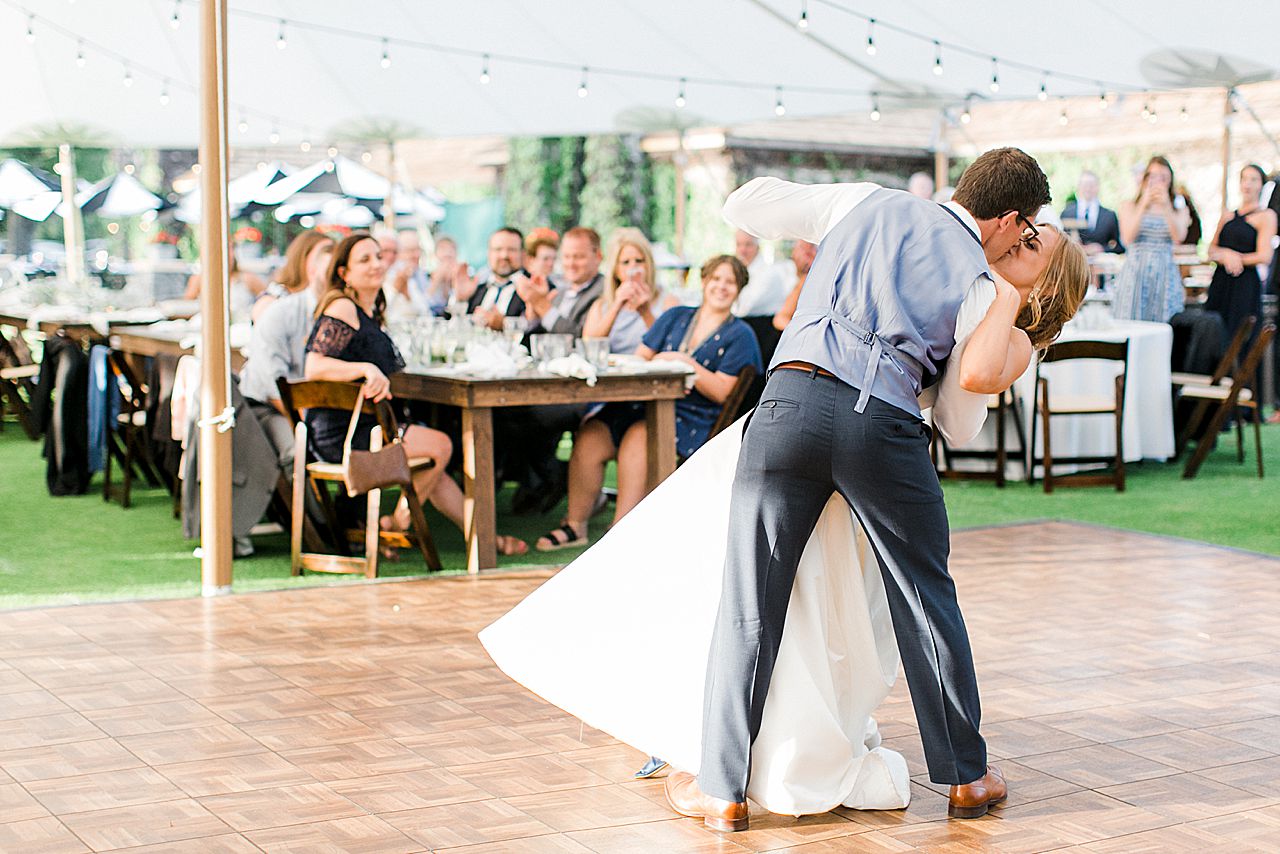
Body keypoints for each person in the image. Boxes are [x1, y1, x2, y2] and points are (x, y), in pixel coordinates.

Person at [481, 148, 1088, 830]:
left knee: (749, 604)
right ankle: (967, 777)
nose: (1022, 242)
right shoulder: (980, 284)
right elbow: (956, 418)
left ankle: (722, 790)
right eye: (1026, 229)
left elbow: (742, 204)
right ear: (1008, 219)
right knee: (926, 598)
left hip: (785, 405)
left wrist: (830, 230)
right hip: (880, 425)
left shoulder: (862, 199)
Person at [303, 233, 527, 556]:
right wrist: (365, 369)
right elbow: (313, 365)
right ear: (344, 273)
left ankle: (485, 539)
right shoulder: (342, 306)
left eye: (378, 257)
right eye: (364, 260)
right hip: (348, 434)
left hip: (376, 425)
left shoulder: (370, 310)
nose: (376, 265)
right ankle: (397, 525)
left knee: (434, 472)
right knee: (441, 446)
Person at [536, 255, 762, 551]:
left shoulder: (741, 334)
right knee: (592, 433)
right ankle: (575, 524)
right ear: (704, 281)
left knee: (641, 434)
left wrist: (683, 362)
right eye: (716, 279)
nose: (721, 287)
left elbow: (721, 391)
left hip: (694, 416)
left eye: (730, 282)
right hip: (642, 404)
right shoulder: (676, 316)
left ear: (739, 289)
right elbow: (642, 357)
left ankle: (623, 532)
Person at [1206, 164, 1278, 354]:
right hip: (1221, 281)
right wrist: (1225, 255)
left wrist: (1236, 258)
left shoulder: (1266, 216)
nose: (1248, 184)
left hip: (1244, 284)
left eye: (1253, 179)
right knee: (1214, 335)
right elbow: (1211, 249)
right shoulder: (1227, 215)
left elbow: (1265, 255)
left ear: (1261, 185)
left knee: (1239, 337)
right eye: (1244, 179)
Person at [1112, 156, 1190, 322]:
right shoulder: (1129, 205)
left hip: (1164, 273)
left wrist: (1166, 206)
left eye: (1163, 177)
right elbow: (1127, 238)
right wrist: (1143, 203)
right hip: (1135, 272)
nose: (1157, 182)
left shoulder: (1179, 209)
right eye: (1153, 176)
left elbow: (1179, 237)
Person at [582, 228, 680, 354]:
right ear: (615, 270)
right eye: (625, 262)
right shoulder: (601, 306)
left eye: (639, 261)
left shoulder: (668, 301)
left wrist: (646, 313)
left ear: (649, 265)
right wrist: (616, 306)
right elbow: (588, 348)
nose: (633, 267)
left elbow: (672, 348)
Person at [252, 230, 333, 324]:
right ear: (302, 258)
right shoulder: (272, 300)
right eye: (321, 255)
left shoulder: (326, 298)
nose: (328, 264)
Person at [456, 227, 528, 331]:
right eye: (498, 249)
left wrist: (504, 325)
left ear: (523, 254)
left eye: (511, 249)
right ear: (489, 253)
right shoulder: (477, 288)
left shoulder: (536, 287)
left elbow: (536, 328)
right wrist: (460, 300)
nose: (504, 255)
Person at [183, 254, 266, 323]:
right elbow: (185, 308)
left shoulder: (247, 278)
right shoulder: (200, 279)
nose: (226, 254)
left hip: (241, 329)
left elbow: (267, 299)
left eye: (230, 248)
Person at [1061, 170, 1123, 254]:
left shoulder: (1109, 216)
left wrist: (1102, 249)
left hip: (1100, 264)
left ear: (1098, 187)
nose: (1088, 188)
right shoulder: (1066, 213)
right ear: (1078, 187)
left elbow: (1120, 247)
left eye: (1092, 185)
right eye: (1085, 184)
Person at [383, 230, 432, 320]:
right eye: (385, 251)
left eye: (394, 252)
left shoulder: (409, 279)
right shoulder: (375, 281)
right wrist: (395, 290)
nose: (391, 256)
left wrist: (407, 296)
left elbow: (426, 314)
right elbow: (381, 316)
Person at [772, 240, 817, 331]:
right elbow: (780, 319)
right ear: (793, 254)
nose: (806, 255)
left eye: (810, 250)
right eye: (803, 249)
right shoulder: (785, 274)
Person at [423, 235, 458, 316]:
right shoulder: (426, 276)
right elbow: (424, 303)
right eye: (442, 248)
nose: (447, 252)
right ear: (435, 253)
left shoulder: (463, 275)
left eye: (451, 249)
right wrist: (437, 280)